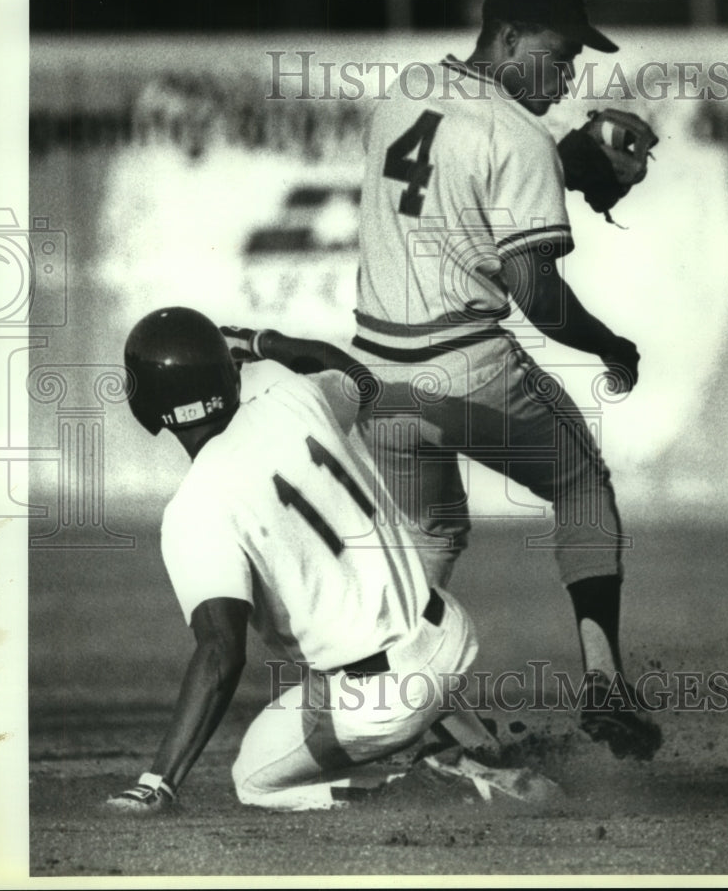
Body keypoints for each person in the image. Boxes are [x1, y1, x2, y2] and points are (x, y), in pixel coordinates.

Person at [346, 0, 662, 760]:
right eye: (559, 54)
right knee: (581, 486)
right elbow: (537, 297)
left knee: (431, 532)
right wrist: (610, 344)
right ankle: (604, 681)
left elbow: (460, 152)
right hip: (468, 369)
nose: (568, 74)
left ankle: (376, 692)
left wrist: (554, 160)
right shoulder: (519, 137)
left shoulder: (405, 89)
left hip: (378, 380)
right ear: (510, 35)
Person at [106, 306, 482, 813]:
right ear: (229, 370)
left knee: (254, 780)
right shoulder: (293, 396)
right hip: (448, 635)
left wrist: (160, 780)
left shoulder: (196, 506)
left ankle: (436, 789)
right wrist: (263, 342)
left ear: (147, 404)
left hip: (384, 700)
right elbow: (359, 379)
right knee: (364, 646)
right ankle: (481, 749)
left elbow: (220, 653)